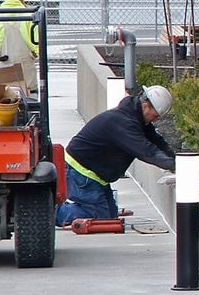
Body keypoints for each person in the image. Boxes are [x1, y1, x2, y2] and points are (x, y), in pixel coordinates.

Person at [55, 86, 176, 226]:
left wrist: (175, 159)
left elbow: (155, 140)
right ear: (145, 105)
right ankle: (48, 215)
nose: (154, 120)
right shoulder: (124, 123)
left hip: (91, 174)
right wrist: (174, 165)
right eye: (155, 116)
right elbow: (146, 151)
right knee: (100, 218)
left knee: (110, 217)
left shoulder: (136, 119)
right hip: (80, 173)